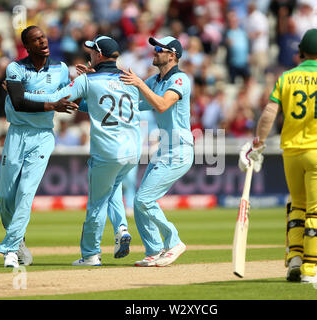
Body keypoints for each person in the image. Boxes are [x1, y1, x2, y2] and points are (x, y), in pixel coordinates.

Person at [238, 29, 317, 284]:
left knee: (297, 206)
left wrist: (259, 144)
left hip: (292, 154)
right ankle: (311, 269)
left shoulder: (286, 77)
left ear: (301, 52)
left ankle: (295, 260)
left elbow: (268, 113)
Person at [23, 35, 141, 266]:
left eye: (92, 51)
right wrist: (86, 84)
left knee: (96, 203)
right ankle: (121, 229)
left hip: (107, 151)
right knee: (112, 190)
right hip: (133, 151)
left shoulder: (88, 80)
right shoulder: (131, 80)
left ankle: (90, 255)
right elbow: (99, 103)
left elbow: (57, 98)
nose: (89, 54)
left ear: (99, 55)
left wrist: (21, 94)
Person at [0, 26, 77, 268]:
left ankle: (10, 249)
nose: (43, 41)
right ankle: (18, 238)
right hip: (17, 134)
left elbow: (71, 97)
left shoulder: (61, 69)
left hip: (43, 136)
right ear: (28, 46)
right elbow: (20, 103)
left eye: (43, 37)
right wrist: (51, 104)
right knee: (4, 196)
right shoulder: (15, 68)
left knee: (25, 193)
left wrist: (87, 79)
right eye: (36, 40)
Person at [121, 36, 193, 267]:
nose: (154, 51)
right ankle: (154, 250)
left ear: (172, 55)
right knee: (141, 202)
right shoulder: (156, 79)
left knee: (142, 199)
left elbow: (161, 104)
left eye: (159, 49)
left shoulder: (181, 79)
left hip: (180, 149)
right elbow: (134, 101)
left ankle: (174, 243)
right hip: (164, 149)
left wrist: (141, 84)